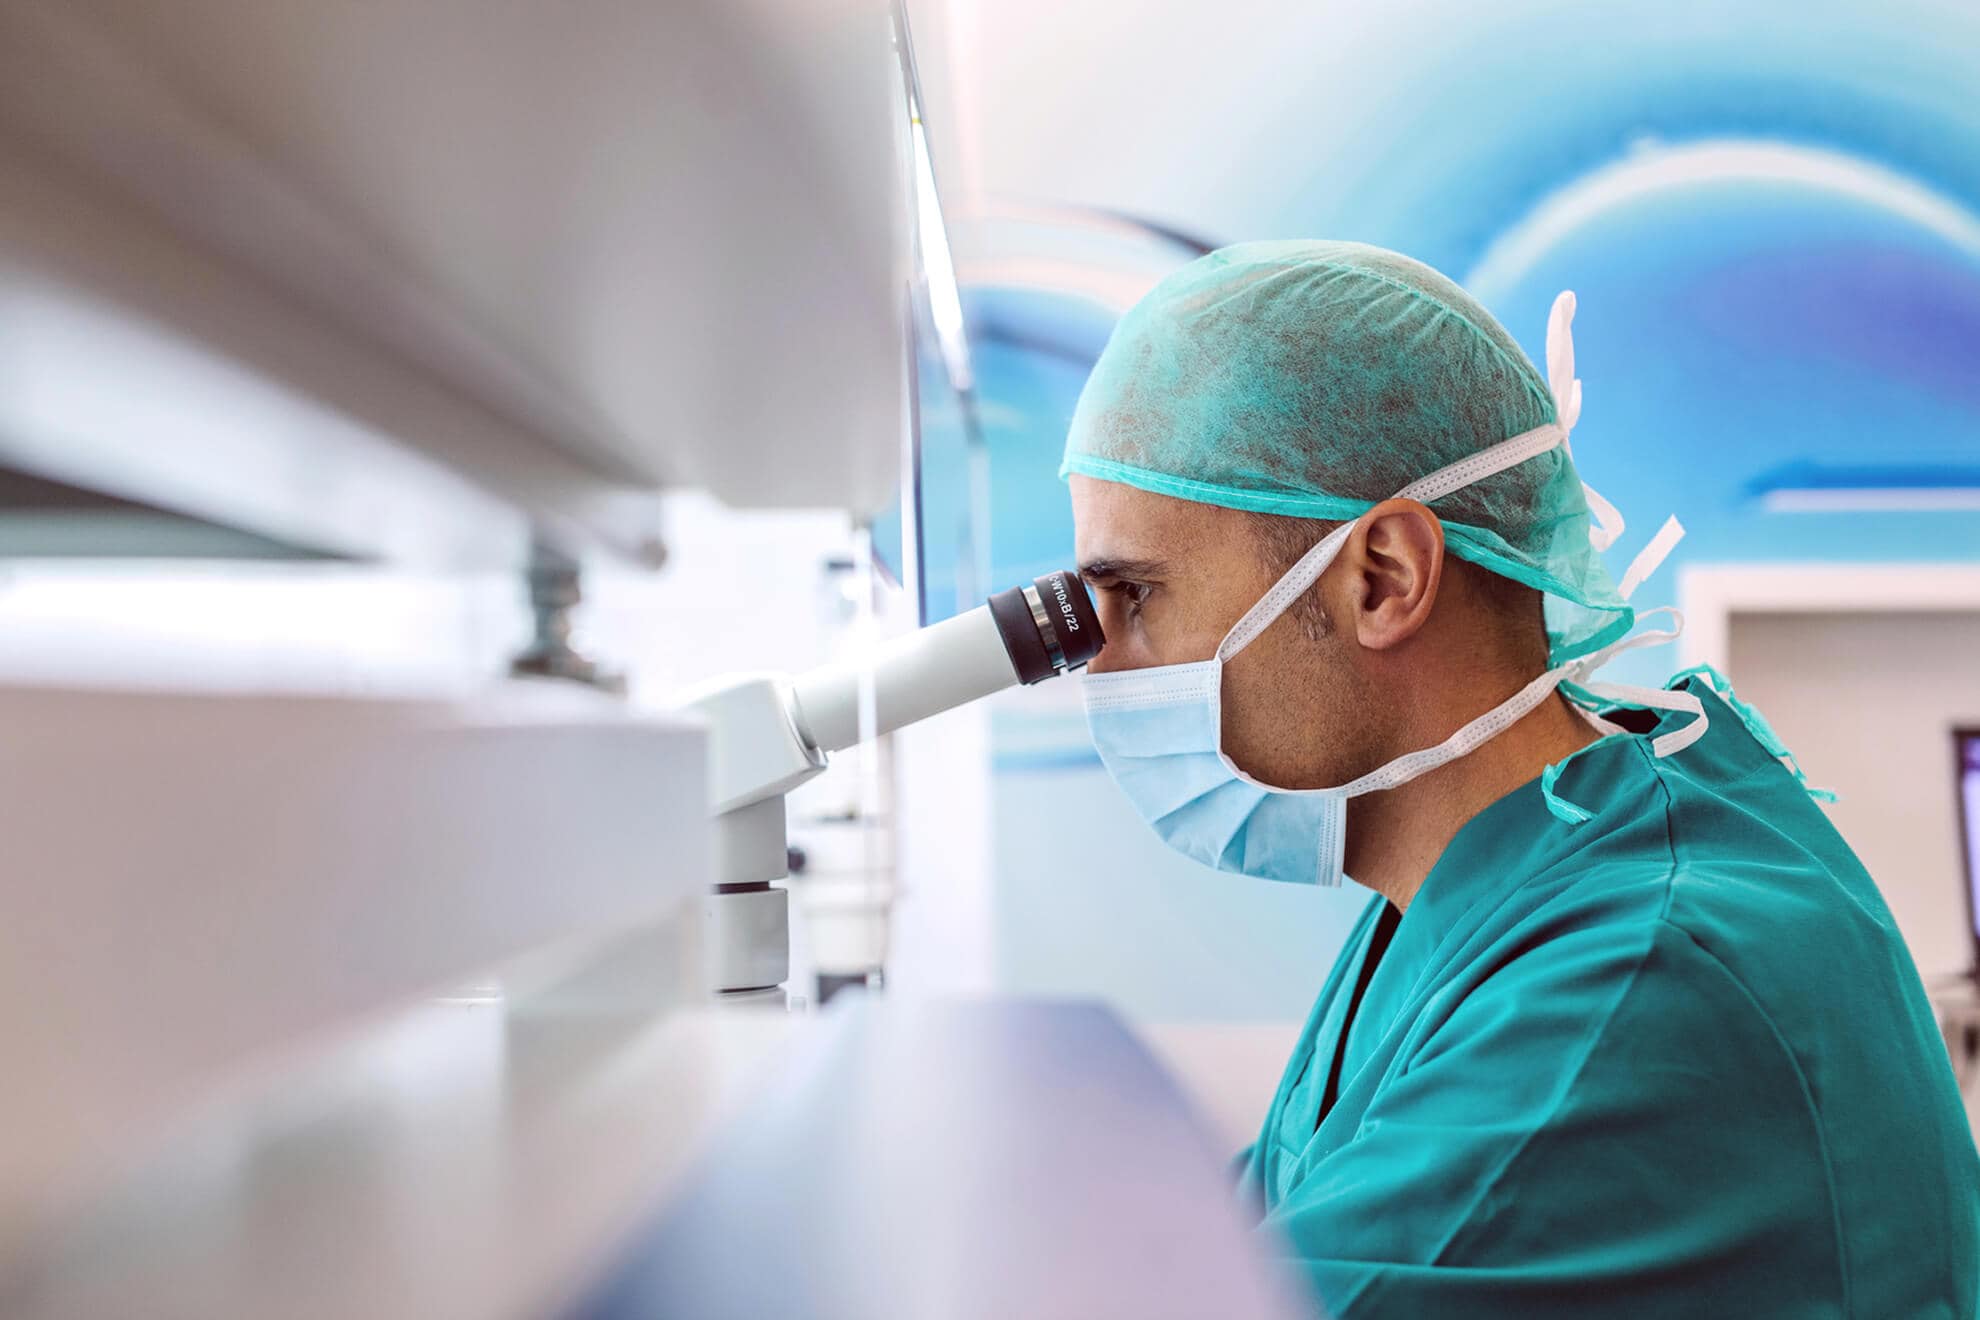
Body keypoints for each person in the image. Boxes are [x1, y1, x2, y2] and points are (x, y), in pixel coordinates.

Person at [1063, 240, 1980, 1316]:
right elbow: (1252, 1244)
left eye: (1134, 596)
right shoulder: (1479, 886)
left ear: (1385, 579)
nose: (1103, 665)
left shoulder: (1636, 980)